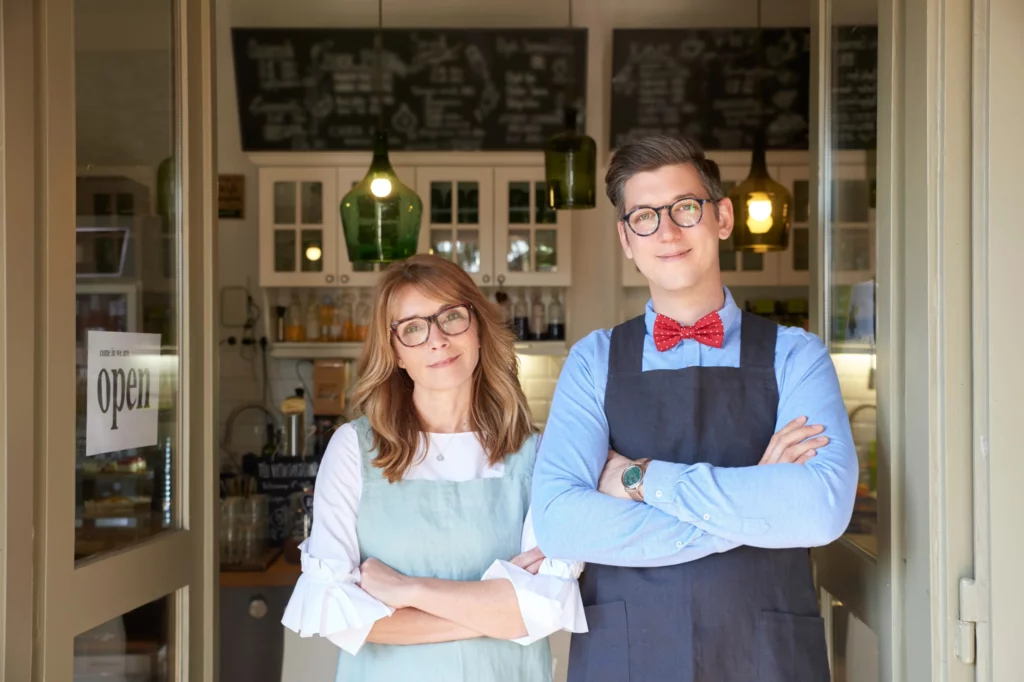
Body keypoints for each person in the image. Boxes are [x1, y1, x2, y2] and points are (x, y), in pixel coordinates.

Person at [531, 135, 859, 682]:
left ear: (722, 217)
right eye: (644, 217)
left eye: (685, 207)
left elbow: (820, 509)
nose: (667, 231)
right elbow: (560, 524)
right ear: (626, 240)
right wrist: (758, 503)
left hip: (766, 655)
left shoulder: (796, 355)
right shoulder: (592, 361)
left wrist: (640, 478)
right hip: (628, 656)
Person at [282, 254, 587, 682]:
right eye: (412, 328)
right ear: (395, 354)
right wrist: (500, 611)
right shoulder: (353, 449)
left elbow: (548, 606)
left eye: (451, 317)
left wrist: (410, 592)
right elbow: (344, 618)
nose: (437, 339)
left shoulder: (537, 454)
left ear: (478, 326)